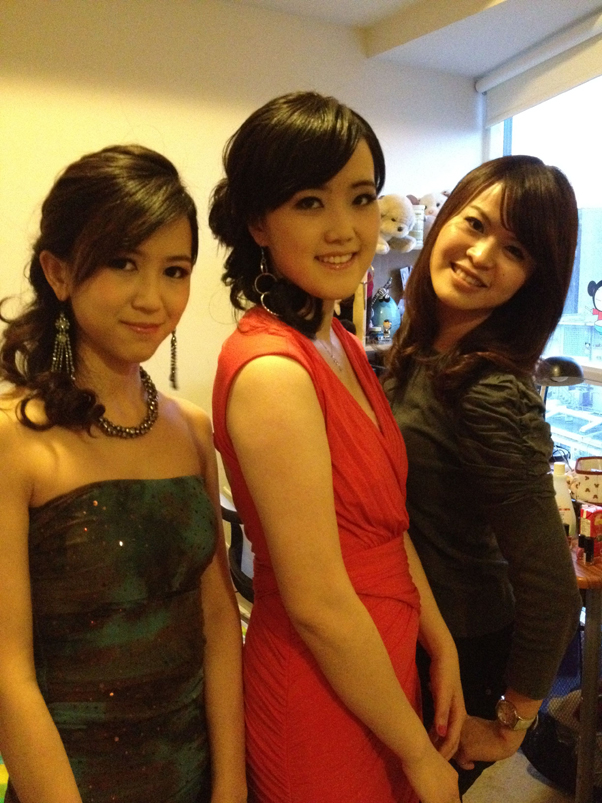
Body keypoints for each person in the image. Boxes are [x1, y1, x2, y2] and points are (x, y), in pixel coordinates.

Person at [209, 90, 464, 803]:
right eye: (309, 202)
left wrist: (438, 638)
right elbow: (317, 602)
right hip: (321, 687)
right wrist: (417, 754)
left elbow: (385, 524)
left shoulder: (340, 342)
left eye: (361, 198)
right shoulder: (273, 372)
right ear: (258, 222)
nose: (345, 228)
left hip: (378, 668)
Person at [0, 145, 246, 803]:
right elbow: (7, 672)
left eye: (175, 271)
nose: (152, 298)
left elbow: (218, 619)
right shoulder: (13, 440)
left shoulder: (191, 430)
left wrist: (231, 783)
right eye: (123, 263)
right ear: (58, 272)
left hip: (194, 773)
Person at [384, 155, 583, 794]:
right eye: (475, 224)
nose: (481, 255)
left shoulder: (490, 389)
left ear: (533, 279)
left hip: (460, 646)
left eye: (515, 250)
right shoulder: (418, 352)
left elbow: (551, 584)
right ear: (444, 220)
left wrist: (511, 724)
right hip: (407, 630)